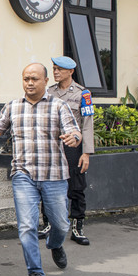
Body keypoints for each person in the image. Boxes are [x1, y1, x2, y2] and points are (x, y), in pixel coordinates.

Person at [0, 63, 82, 276]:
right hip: (23, 175)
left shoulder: (59, 106)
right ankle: (35, 272)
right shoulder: (13, 107)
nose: (30, 83)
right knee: (27, 227)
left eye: (34, 79)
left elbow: (75, 131)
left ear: (46, 81)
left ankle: (55, 244)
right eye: (26, 78)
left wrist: (74, 138)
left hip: (54, 175)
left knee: (60, 223)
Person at [38, 56, 94, 245]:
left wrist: (86, 153)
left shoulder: (83, 94)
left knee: (76, 187)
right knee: (47, 183)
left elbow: (87, 125)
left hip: (73, 147)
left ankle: (77, 227)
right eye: (54, 69)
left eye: (59, 69)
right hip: (52, 146)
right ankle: (48, 224)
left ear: (70, 72)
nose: (55, 72)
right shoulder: (49, 92)